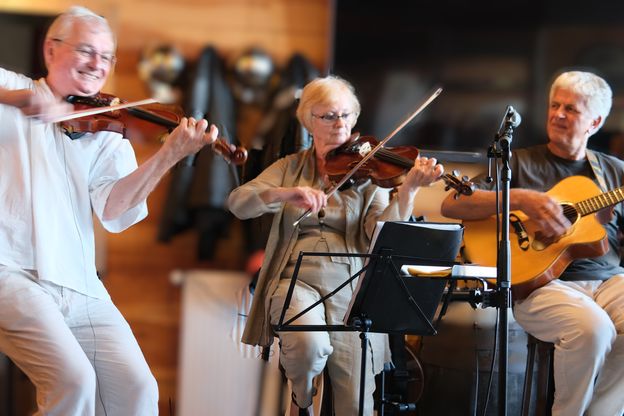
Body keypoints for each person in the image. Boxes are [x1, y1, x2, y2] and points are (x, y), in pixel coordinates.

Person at [0, 6, 218, 415]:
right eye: (86, 51)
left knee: (138, 390)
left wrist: (169, 155)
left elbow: (116, 212)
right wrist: (17, 100)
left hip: (80, 284)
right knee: (73, 381)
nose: (97, 65)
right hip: (10, 273)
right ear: (51, 50)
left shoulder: (107, 129)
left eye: (106, 56)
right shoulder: (10, 88)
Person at [227, 75, 443, 415]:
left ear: (355, 118)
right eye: (328, 116)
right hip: (295, 282)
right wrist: (285, 194)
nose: (339, 123)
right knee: (308, 345)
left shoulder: (371, 173)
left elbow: (380, 233)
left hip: (353, 293)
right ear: (309, 121)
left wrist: (409, 191)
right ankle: (302, 396)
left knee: (356, 404)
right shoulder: (291, 168)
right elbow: (239, 202)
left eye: (346, 115)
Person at [440, 70, 624, 416]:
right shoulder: (519, 163)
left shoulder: (613, 171)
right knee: (593, 328)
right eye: (555, 105)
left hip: (608, 279)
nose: (557, 114)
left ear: (595, 122)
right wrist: (522, 199)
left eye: (571, 109)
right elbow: (452, 204)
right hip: (541, 285)